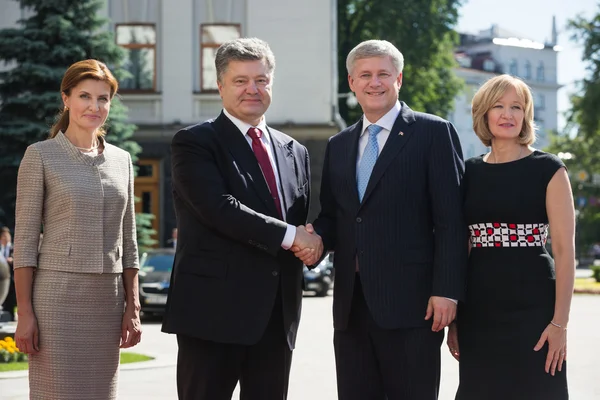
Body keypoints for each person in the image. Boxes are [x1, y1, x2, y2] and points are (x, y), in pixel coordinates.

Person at [299, 39, 467, 400]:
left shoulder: (433, 133)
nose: (374, 83)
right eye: (365, 75)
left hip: (414, 304)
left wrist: (447, 290)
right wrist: (314, 238)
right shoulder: (338, 144)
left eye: (383, 74)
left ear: (399, 79)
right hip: (350, 305)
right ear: (352, 83)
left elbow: (451, 220)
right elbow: (335, 216)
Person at [161, 38, 318, 400]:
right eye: (241, 80)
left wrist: (315, 243)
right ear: (220, 85)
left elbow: (300, 223)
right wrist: (296, 238)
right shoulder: (195, 142)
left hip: (276, 317)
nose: (253, 89)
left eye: (261, 80)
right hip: (212, 313)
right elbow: (219, 208)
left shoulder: (296, 151)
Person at [13, 59, 142, 400]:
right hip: (57, 302)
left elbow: (129, 241)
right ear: (66, 98)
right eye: (85, 96)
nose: (94, 106)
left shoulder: (122, 160)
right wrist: (24, 313)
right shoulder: (40, 156)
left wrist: (134, 307)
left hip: (108, 302)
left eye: (103, 99)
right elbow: (24, 243)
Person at [447, 74, 574, 400]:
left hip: (534, 310)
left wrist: (560, 324)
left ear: (527, 114)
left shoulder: (549, 169)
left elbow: (563, 250)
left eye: (517, 107)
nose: (508, 114)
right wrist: (456, 322)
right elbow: (462, 247)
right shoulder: (469, 172)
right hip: (479, 309)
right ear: (484, 114)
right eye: (499, 106)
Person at [0, 227, 15, 320]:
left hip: (11, 279)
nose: (6, 238)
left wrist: (12, 260)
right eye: (4, 236)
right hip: (1, 279)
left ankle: (11, 317)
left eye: (7, 236)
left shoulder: (13, 248)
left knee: (11, 301)